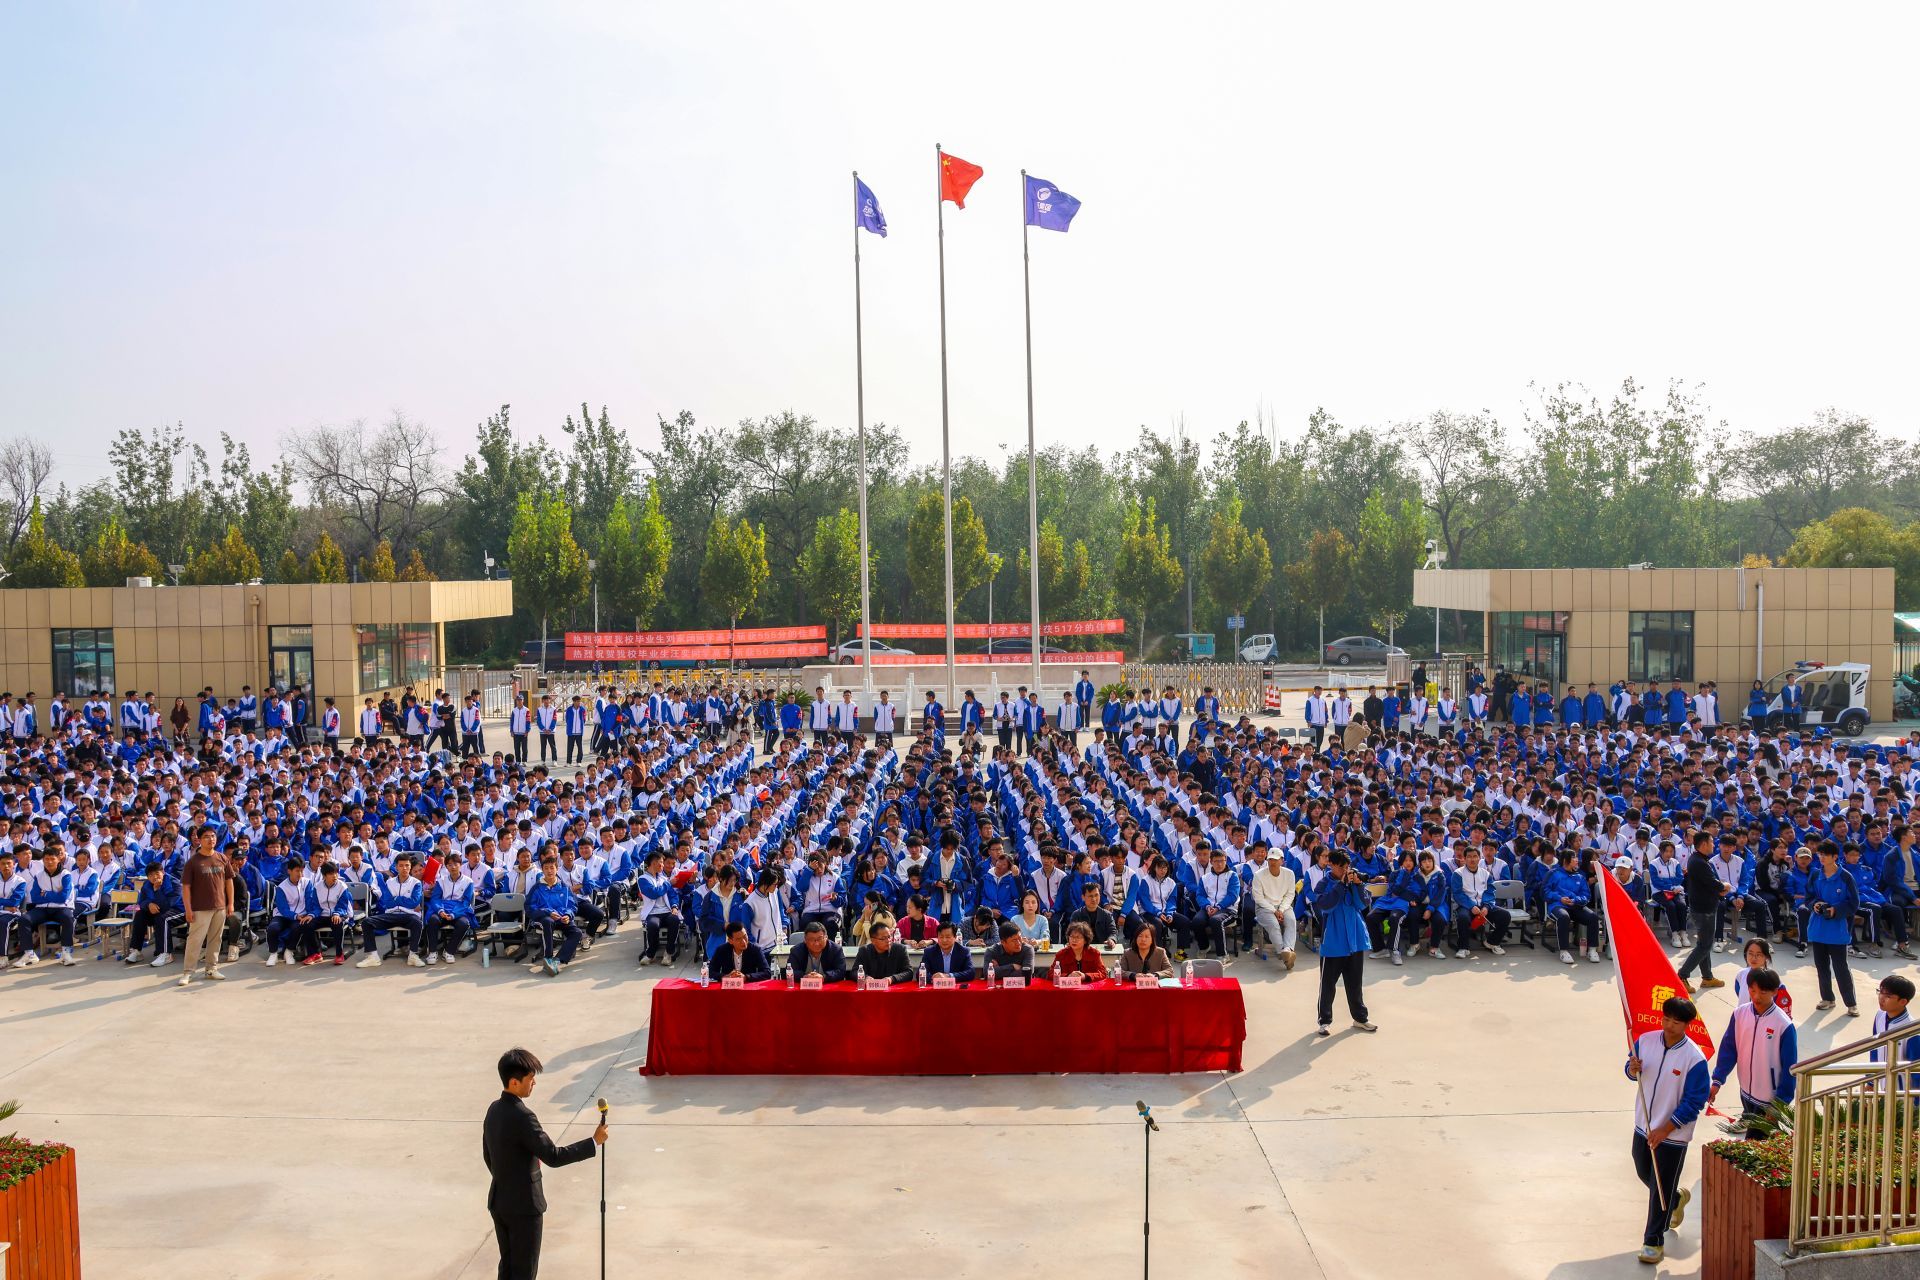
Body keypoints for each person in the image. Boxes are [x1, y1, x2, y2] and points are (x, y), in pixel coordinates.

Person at [484, 1046, 607, 1280]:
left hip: (499, 1202)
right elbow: (553, 1156)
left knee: (507, 1269)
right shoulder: (524, 1117)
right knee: (524, 1272)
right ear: (514, 1082)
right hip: (524, 1209)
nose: (534, 1083)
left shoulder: (494, 1110)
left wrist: (507, 1181)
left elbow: (488, 1156)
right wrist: (593, 1142)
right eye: (530, 1078)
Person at [1625, 995, 1711, 1266]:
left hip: (1673, 1136)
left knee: (1658, 1189)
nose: (1669, 1026)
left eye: (1676, 1022)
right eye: (1666, 1019)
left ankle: (1653, 1241)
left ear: (1687, 1025)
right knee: (1644, 1172)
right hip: (1644, 1126)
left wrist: (1666, 1129)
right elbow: (1630, 1070)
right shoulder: (1645, 1041)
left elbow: (1694, 1102)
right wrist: (1631, 1069)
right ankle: (1675, 1199)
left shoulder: (1694, 1059)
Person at [1710, 967, 1798, 1139]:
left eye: (1763, 992)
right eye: (1752, 990)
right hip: (1745, 1092)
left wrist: (1780, 1104)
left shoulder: (1783, 1025)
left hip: (1769, 1100)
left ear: (1775, 992)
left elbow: (1790, 1068)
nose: (1756, 996)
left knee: (1755, 1142)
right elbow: (1729, 1048)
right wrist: (1717, 1080)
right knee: (1757, 1143)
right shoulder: (1740, 1014)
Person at [1314, 850, 1375, 1036]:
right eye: (1341, 867)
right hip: (1334, 941)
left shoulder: (1352, 882)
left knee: (1355, 983)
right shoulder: (1324, 884)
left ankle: (1360, 1018)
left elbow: (1363, 904)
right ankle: (1324, 1021)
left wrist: (1358, 884)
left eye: (1347, 866)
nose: (1345, 870)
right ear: (1331, 865)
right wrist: (1341, 885)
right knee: (1328, 984)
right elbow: (1325, 905)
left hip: (1355, 938)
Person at [1803, 840, 1860, 1016]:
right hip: (1818, 927)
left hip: (1838, 929)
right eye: (1819, 854)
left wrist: (1836, 910)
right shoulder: (1815, 875)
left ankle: (1851, 1003)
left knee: (1841, 967)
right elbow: (1808, 897)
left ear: (1835, 856)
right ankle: (1827, 998)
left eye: (1825, 855)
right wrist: (1814, 904)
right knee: (1821, 966)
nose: (1821, 858)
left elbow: (1854, 903)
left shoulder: (1845, 877)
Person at [178, 825, 233, 987]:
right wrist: (188, 909)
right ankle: (188, 972)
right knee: (195, 940)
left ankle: (211, 969)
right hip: (200, 908)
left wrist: (230, 903)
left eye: (213, 836)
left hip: (220, 906)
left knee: (216, 939)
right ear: (199, 840)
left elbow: (229, 882)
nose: (211, 839)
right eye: (207, 837)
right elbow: (186, 888)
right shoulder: (193, 862)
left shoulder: (222, 858)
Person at [1675, 832, 1726, 992]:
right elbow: (1714, 884)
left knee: (1704, 943)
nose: (1714, 845)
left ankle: (1707, 977)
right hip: (1704, 909)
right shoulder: (1699, 862)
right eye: (1712, 842)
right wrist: (1725, 887)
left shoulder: (1698, 859)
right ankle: (1682, 975)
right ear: (1704, 844)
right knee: (1704, 946)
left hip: (1704, 907)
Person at [1248, 848, 1299, 969]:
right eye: (1270, 859)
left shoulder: (1289, 874)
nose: (1273, 862)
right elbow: (1259, 898)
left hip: (1283, 906)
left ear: (1282, 860)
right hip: (1264, 907)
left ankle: (1287, 950)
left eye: (1276, 860)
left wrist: (1281, 909)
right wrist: (1274, 910)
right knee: (1273, 925)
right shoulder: (1258, 875)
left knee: (1291, 921)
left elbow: (1290, 894)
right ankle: (1284, 952)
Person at [1868, 975, 1918, 1088]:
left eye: (1888, 996)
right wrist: (1871, 1080)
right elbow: (1874, 1048)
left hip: (1903, 1092)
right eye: (1880, 992)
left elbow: (1916, 1070)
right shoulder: (1880, 1015)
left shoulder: (1911, 1031)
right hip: (1884, 1085)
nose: (1881, 998)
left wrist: (1915, 1097)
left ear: (1903, 1001)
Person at [852, 920, 915, 985]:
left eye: (889, 937)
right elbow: (854, 971)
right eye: (883, 938)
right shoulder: (864, 951)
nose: (888, 941)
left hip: (893, 988)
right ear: (873, 940)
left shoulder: (900, 949)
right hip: (871, 988)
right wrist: (865, 977)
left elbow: (909, 972)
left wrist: (892, 979)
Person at [706, 921, 772, 982]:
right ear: (730, 941)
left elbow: (767, 973)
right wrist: (725, 976)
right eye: (738, 939)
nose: (743, 942)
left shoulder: (755, 950)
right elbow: (711, 972)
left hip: (749, 986)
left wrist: (746, 977)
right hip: (729, 986)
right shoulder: (721, 950)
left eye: (745, 936)